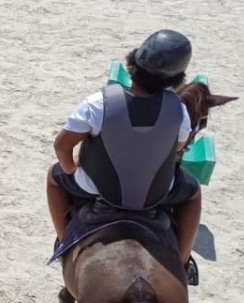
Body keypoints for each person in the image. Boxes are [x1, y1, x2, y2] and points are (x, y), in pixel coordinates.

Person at [45, 29, 203, 285]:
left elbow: (62, 146)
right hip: (154, 192)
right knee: (193, 192)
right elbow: (176, 149)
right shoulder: (179, 111)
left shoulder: (98, 103)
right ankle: (183, 261)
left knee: (54, 177)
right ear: (176, 79)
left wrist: (70, 169)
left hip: (96, 186)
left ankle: (65, 241)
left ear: (133, 65)